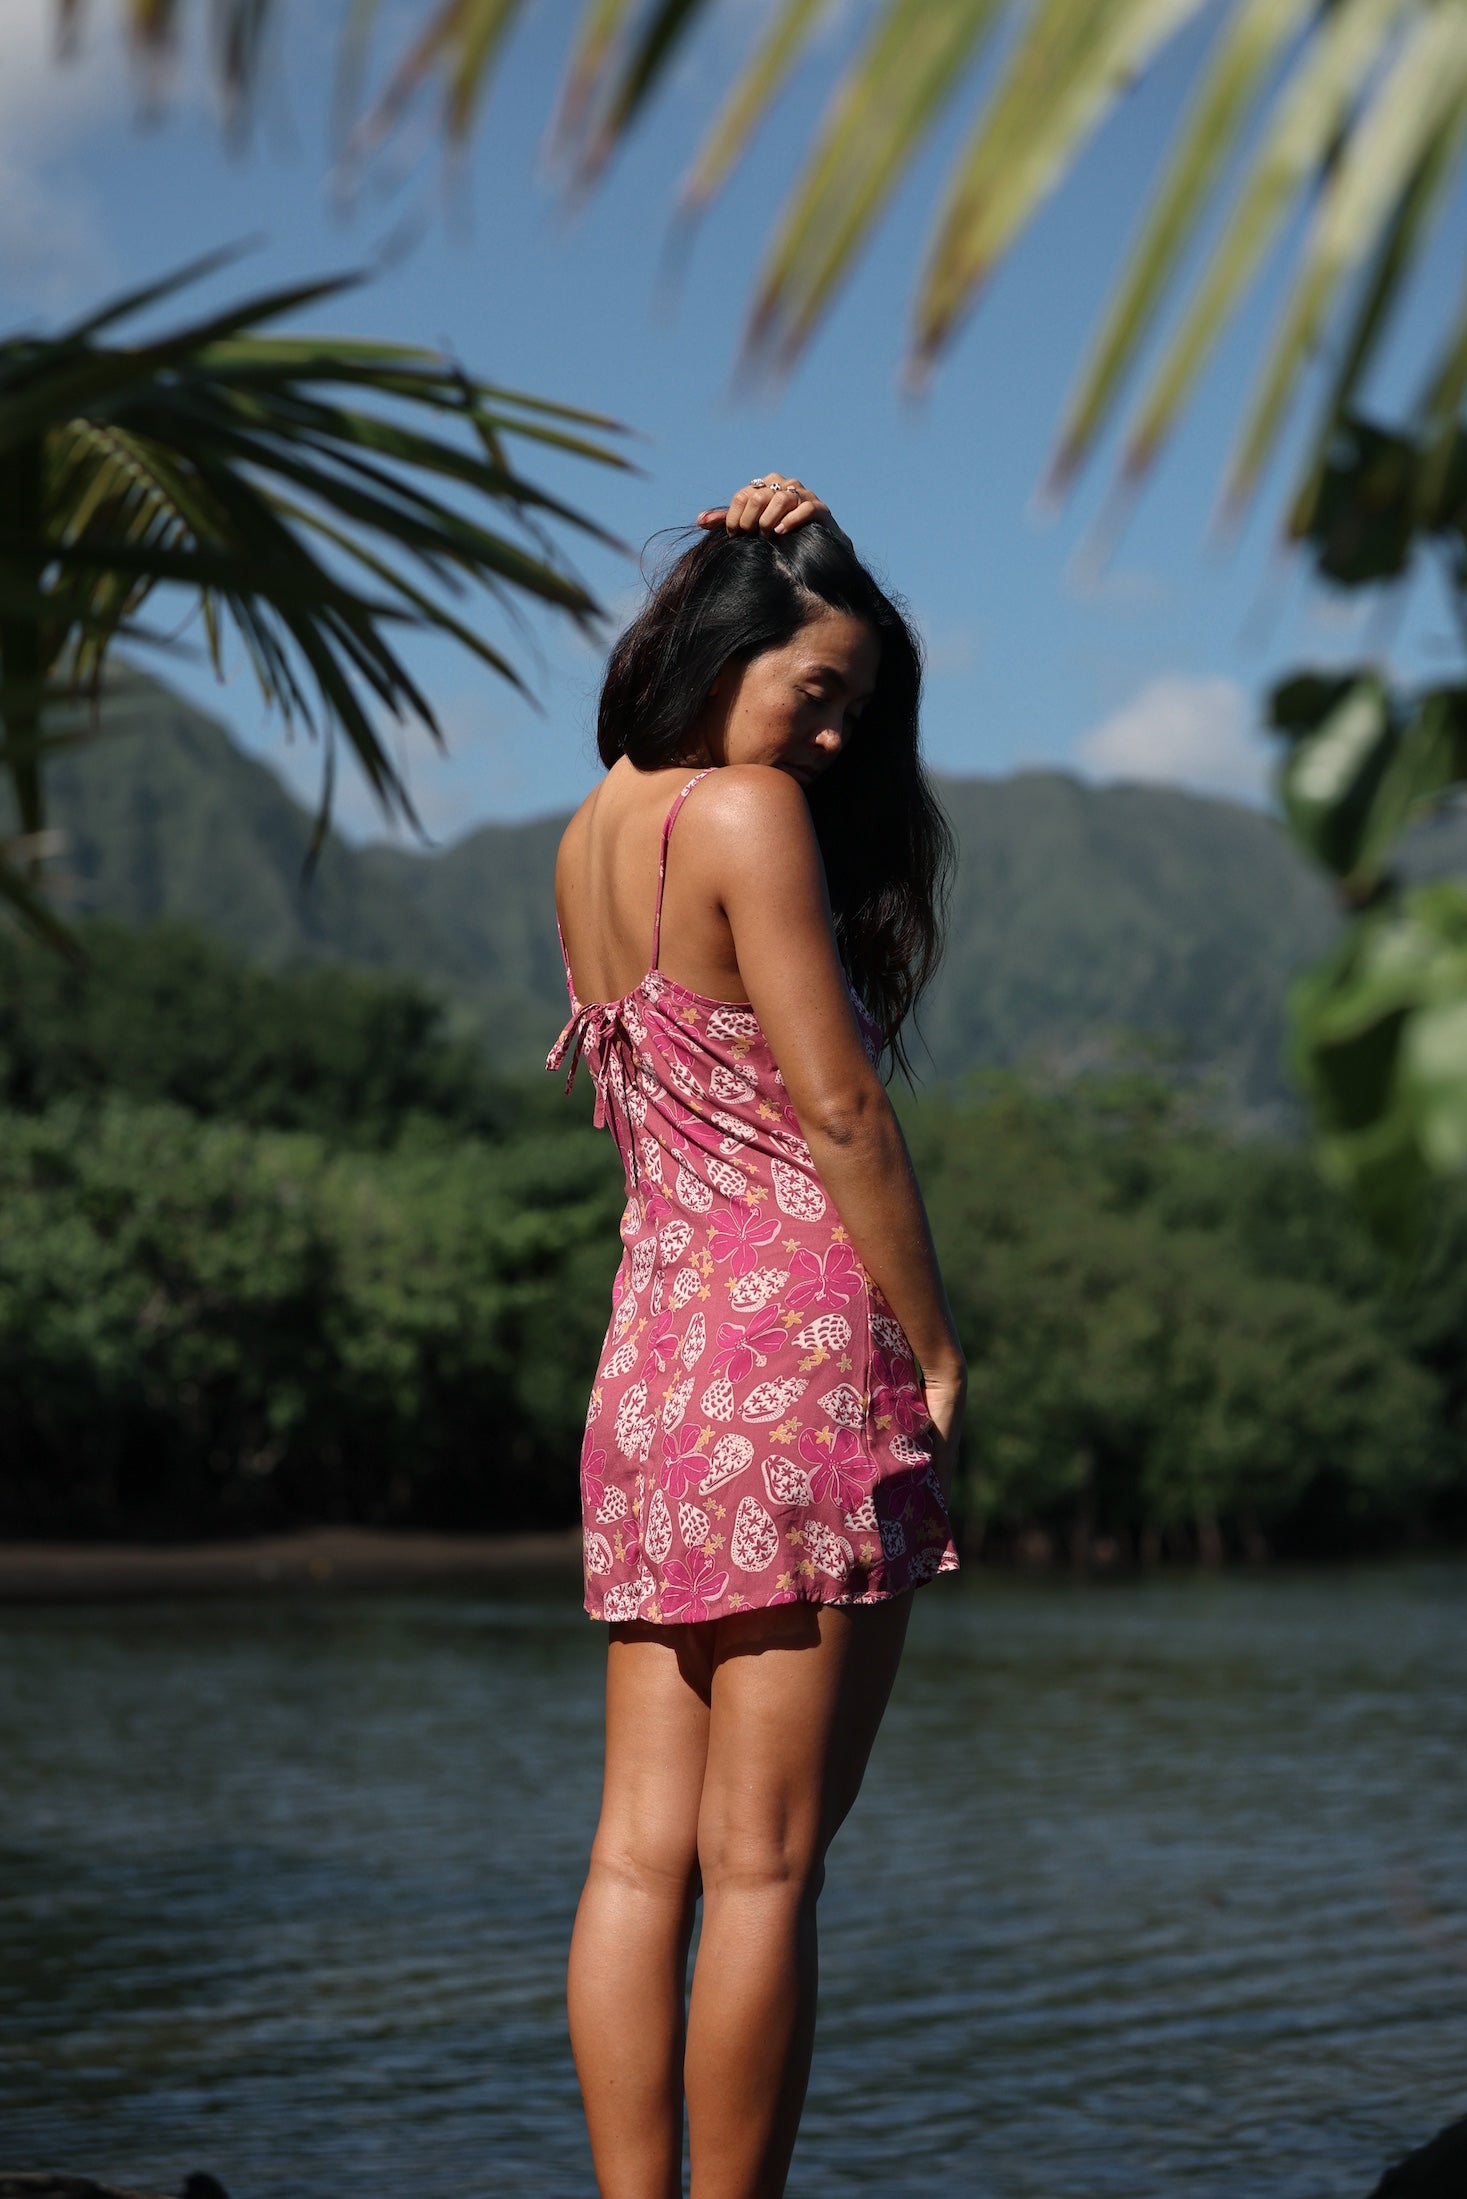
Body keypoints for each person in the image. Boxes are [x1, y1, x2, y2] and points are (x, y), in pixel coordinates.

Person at [548, 475, 966, 2199]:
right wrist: (936, 1354)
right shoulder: (744, 819)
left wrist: (781, 529)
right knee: (770, 1865)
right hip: (795, 1364)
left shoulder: (592, 827)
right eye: (822, 688)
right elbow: (844, 1113)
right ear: (736, 646)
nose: (838, 731)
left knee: (642, 1860)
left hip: (652, 1367)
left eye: (859, 710)